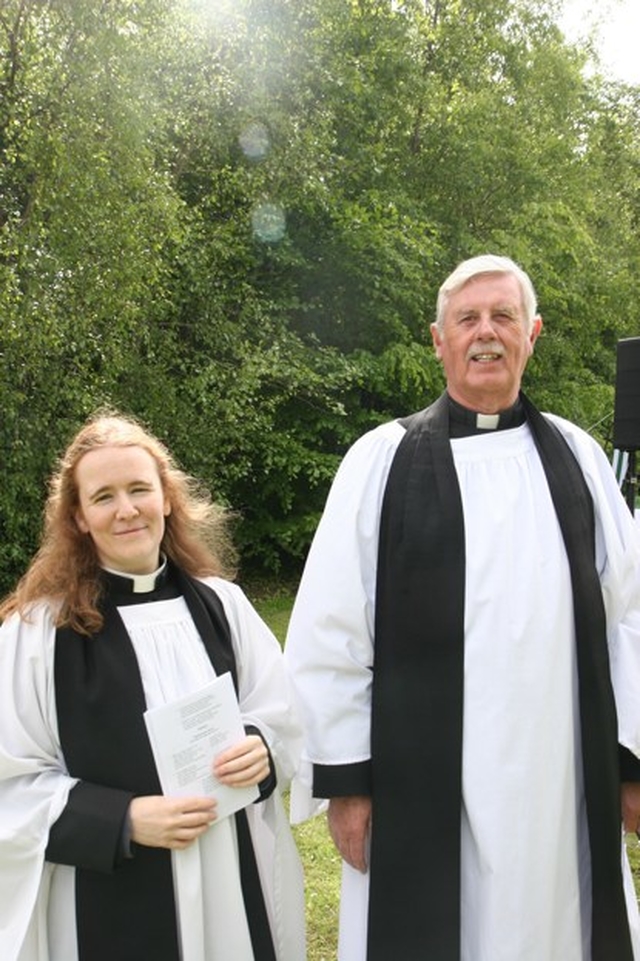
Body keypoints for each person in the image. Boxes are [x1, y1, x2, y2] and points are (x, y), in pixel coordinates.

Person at [284, 254, 640, 961]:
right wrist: (348, 784)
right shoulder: (380, 461)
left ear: (532, 334)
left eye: (503, 316)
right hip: (420, 785)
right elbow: (332, 629)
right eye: (467, 319)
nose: (486, 333)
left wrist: (630, 761)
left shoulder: (578, 457)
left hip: (559, 780)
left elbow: (629, 616)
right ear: (437, 339)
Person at [0, 411, 306, 961]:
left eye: (140, 489)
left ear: (167, 498)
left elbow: (284, 712)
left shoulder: (222, 605)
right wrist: (121, 820)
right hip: (105, 892)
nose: (126, 510)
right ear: (78, 518)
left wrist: (261, 748)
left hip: (225, 874)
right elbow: (8, 782)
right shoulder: (37, 633)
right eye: (104, 497)